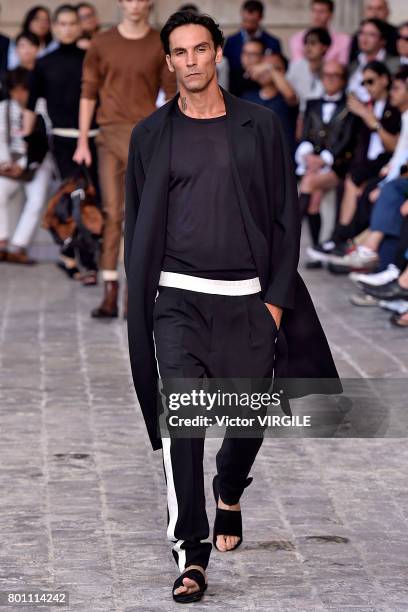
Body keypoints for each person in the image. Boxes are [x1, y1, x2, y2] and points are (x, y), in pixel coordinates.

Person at [124, 9, 340, 603]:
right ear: (168, 61)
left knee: (247, 419)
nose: (191, 61)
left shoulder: (262, 126)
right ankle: (190, 554)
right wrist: (145, 303)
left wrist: (274, 302)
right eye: (180, 52)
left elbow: (284, 216)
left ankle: (230, 485)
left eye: (200, 49)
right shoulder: (150, 137)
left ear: (219, 51)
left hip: (249, 299)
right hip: (179, 302)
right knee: (183, 424)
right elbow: (136, 229)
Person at [74, 0, 177, 318]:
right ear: (120, 2)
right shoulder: (102, 43)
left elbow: (171, 95)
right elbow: (88, 92)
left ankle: (137, 293)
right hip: (108, 137)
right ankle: (110, 289)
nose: (135, 4)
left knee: (142, 216)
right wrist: (82, 141)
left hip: (147, 138)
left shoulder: (160, 43)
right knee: (111, 213)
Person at [24, 4, 100, 284]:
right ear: (55, 27)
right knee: (69, 201)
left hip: (94, 139)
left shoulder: (91, 58)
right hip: (62, 142)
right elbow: (31, 105)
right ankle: (75, 259)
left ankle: (82, 259)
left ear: (79, 26)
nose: (67, 28)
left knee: (94, 199)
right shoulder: (44, 63)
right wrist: (26, 145)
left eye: (72, 23)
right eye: (62, 24)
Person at [309, 61, 401, 264]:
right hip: (366, 164)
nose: (367, 86)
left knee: (359, 184)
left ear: (384, 80)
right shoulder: (367, 106)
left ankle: (342, 239)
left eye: (371, 81)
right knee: (347, 182)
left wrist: (370, 118)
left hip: (386, 164)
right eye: (364, 82)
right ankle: (341, 241)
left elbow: (393, 146)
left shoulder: (393, 108)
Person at [296, 61, 358, 250]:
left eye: (336, 75)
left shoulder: (350, 107)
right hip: (312, 162)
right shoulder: (312, 103)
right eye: (326, 75)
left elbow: (347, 140)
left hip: (336, 165)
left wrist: (324, 158)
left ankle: (290, 228)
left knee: (308, 183)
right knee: (314, 200)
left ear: (344, 79)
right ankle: (316, 247)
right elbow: (305, 134)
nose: (330, 79)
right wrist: (308, 156)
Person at [0, 68, 51, 264]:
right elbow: (1, 138)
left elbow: (43, 141)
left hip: (37, 164)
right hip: (10, 164)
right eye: (14, 90)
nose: (18, 95)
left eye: (22, 90)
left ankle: (18, 246)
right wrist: (8, 163)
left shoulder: (42, 107)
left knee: (36, 201)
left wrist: (24, 164)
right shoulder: (4, 107)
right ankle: (2, 241)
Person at [241, 46, 298, 155]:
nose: (266, 71)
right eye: (263, 67)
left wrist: (270, 68)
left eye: (276, 68)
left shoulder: (286, 96)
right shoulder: (247, 97)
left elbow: (290, 96)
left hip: (283, 156)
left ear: (284, 72)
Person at [223, 0, 281, 96]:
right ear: (242, 15)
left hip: (262, 94)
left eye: (252, 21)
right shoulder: (231, 41)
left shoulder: (273, 42)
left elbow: (278, 68)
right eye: (245, 20)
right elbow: (226, 68)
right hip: (235, 93)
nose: (248, 25)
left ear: (261, 17)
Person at [348, 18, 400, 102]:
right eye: (361, 33)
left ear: (383, 40)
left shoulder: (395, 64)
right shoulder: (353, 65)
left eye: (371, 35)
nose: (364, 38)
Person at [289, 0, 350, 65]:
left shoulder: (344, 40)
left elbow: (342, 66)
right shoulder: (297, 38)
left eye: (321, 12)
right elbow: (298, 64)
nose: (316, 16)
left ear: (330, 14)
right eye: (314, 11)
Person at [287, 27, 331, 115]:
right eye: (306, 43)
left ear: (324, 47)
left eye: (313, 43)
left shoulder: (331, 69)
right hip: (296, 114)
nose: (308, 47)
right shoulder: (295, 67)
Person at [8, 6, 58, 70]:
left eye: (46, 20)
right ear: (29, 20)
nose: (42, 23)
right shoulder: (17, 42)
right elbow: (12, 66)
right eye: (37, 19)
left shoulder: (54, 45)